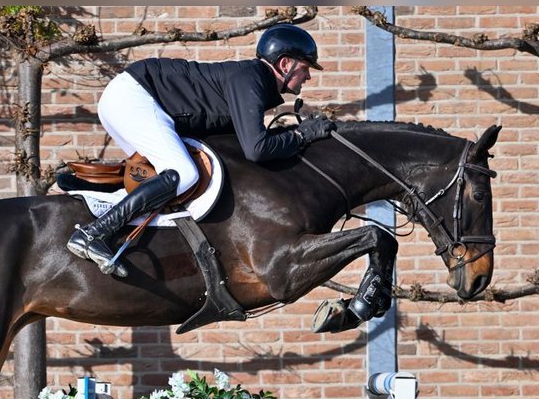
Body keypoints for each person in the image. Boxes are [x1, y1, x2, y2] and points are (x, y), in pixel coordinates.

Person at [67, 22, 337, 278]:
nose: (309, 76)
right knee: (184, 174)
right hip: (136, 96)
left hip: (130, 98)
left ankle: (96, 203)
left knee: (161, 183)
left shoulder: (253, 82)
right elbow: (256, 149)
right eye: (305, 67)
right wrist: (301, 136)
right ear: (285, 63)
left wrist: (294, 135)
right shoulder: (251, 77)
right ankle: (93, 234)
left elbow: (240, 145)